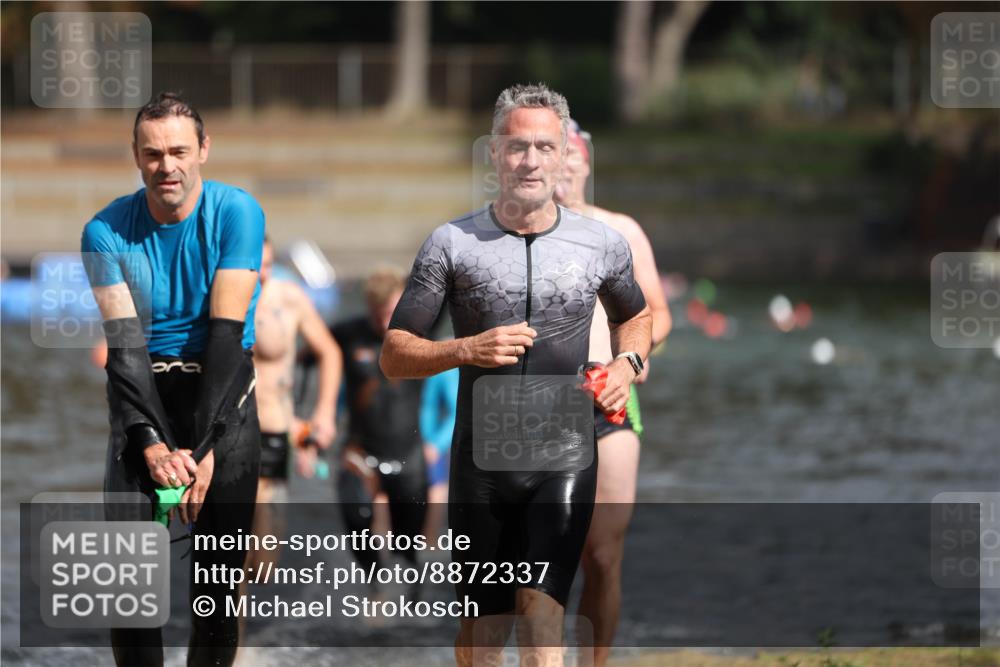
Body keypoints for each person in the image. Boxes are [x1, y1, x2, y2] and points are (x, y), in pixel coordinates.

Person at [380, 83, 652, 667]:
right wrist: (467, 348)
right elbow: (396, 353)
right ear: (493, 154)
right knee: (482, 641)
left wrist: (627, 366)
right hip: (482, 462)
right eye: (516, 146)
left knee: (542, 621)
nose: (530, 160)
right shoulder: (451, 244)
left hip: (566, 455)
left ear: (562, 156)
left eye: (543, 147)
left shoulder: (601, 244)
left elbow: (637, 316)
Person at [81, 92, 264, 666]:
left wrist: (205, 446)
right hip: (143, 400)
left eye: (180, 150)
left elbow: (226, 336)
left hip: (224, 400)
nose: (168, 166)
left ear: (204, 150)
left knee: (215, 594)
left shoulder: (237, 212)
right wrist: (152, 444)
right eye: (153, 153)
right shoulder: (104, 232)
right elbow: (126, 351)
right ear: (136, 157)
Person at [554, 121, 672, 667]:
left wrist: (633, 358)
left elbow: (657, 313)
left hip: (611, 398)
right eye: (551, 153)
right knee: (543, 555)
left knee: (602, 554)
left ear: (585, 161)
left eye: (571, 153)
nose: (562, 165)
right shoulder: (517, 235)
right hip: (540, 404)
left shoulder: (619, 229)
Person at [247, 237, 342, 569]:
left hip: (275, 431)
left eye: (268, 265)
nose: (261, 274)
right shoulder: (216, 299)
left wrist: (323, 413)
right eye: (253, 266)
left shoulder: (288, 297)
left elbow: (329, 351)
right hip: (227, 437)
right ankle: (232, 620)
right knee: (235, 558)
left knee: (265, 563)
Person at [334, 267, 427, 576]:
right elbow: (310, 355)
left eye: (390, 313)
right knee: (357, 517)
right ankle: (372, 580)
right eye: (377, 313)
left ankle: (407, 596)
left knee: (408, 536)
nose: (383, 322)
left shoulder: (420, 336)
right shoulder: (348, 335)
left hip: (408, 449)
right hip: (360, 447)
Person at [420, 365, 459, 538]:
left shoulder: (445, 369)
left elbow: (457, 409)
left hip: (429, 440)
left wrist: (437, 444)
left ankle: (430, 536)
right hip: (403, 439)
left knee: (436, 483)